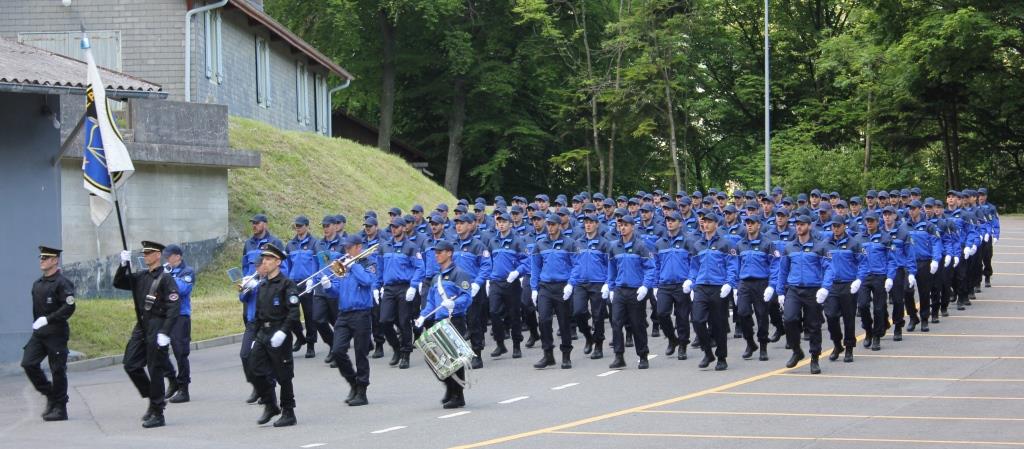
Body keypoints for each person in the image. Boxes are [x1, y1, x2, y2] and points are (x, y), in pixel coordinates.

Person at [113, 241, 180, 428]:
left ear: (158, 255)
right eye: (144, 253)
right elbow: (118, 283)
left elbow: (174, 306)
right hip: (142, 326)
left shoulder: (166, 279)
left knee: (155, 369)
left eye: (149, 253)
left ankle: (158, 413)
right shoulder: (142, 276)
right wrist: (123, 265)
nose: (146, 256)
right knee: (130, 364)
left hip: (158, 325)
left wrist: (165, 332)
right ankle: (153, 398)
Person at [414, 240, 473, 409]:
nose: (437, 255)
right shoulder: (436, 278)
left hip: (455, 319)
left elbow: (467, 297)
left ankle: (458, 395)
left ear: (449, 253)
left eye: (440, 252)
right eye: (436, 252)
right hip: (439, 320)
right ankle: (449, 387)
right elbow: (431, 304)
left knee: (455, 358)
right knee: (434, 358)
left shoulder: (459, 274)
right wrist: (422, 316)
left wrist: (454, 304)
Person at [248, 243, 300, 427]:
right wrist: (255, 337)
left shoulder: (287, 284)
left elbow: (294, 312)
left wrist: (283, 332)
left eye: (269, 259)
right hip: (264, 332)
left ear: (278, 262)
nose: (265, 262)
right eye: (264, 259)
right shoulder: (263, 285)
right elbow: (258, 314)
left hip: (279, 332)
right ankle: (270, 404)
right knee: (254, 368)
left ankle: (289, 412)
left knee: (284, 375)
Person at [23, 245, 76, 421]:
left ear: (55, 261)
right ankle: (50, 394)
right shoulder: (37, 284)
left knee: (58, 370)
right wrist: (39, 324)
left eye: (46, 258)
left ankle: (60, 408)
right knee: (28, 363)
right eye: (41, 258)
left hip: (56, 333)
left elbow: (69, 306)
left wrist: (48, 319)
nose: (42, 261)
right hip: (39, 334)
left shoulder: (62, 283)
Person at [685, 210, 737, 371]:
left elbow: (732, 266)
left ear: (716, 224)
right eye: (703, 221)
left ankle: (722, 357)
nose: (705, 224)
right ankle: (708, 352)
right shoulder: (698, 244)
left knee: (719, 324)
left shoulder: (725, 244)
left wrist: (729, 283)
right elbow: (694, 267)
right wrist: (690, 280)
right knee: (698, 320)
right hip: (701, 286)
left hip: (718, 287)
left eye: (708, 221)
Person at [327, 235, 376, 406]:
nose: (346, 251)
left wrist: (354, 266)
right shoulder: (344, 266)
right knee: (337, 351)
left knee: (360, 353)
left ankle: (362, 391)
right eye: (345, 248)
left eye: (349, 248)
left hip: (361, 313)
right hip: (344, 313)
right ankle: (353, 383)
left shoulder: (366, 264)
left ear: (358, 247)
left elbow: (368, 281)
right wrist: (328, 286)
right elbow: (337, 291)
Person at [776, 216, 828, 374]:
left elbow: (829, 268)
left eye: (802, 224)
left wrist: (824, 288)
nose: (799, 227)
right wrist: (779, 291)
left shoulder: (819, 247)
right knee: (789, 319)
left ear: (809, 226)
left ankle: (814, 358)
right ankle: (796, 350)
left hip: (813, 289)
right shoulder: (789, 247)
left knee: (813, 325)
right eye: (797, 224)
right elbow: (783, 270)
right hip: (794, 289)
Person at [607, 209, 658, 369]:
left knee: (637, 324)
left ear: (632, 227)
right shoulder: (614, 247)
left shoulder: (641, 246)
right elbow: (611, 268)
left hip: (636, 291)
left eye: (626, 225)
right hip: (620, 290)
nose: (622, 228)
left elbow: (650, 268)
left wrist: (645, 286)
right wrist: (610, 287)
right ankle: (619, 356)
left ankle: (643, 355)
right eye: (620, 225)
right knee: (616, 323)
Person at [530, 213, 580, 369]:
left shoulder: (569, 243)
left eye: (553, 224)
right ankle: (548, 354)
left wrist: (571, 284)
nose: (550, 227)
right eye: (548, 224)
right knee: (544, 320)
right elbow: (535, 267)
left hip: (562, 287)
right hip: (545, 287)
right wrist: (534, 288)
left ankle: (566, 355)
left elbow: (577, 265)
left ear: (559, 225)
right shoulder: (540, 244)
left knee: (564, 322)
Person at [376, 217, 424, 369]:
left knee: (404, 322)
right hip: (389, 288)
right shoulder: (384, 246)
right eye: (392, 226)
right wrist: (376, 287)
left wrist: (414, 286)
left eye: (396, 227)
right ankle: (396, 347)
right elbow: (380, 268)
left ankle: (406, 353)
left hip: (404, 287)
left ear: (403, 228)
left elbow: (419, 267)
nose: (393, 229)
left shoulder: (411, 247)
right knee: (384, 321)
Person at [485, 212, 529, 359]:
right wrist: (487, 277)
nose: (501, 224)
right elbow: (489, 261)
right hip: (496, 282)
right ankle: (500, 344)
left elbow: (526, 261)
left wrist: (517, 272)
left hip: (512, 282)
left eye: (504, 222)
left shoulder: (517, 241)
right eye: (499, 222)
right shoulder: (493, 241)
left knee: (514, 314)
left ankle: (516, 345)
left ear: (510, 224)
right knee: (494, 312)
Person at [820, 215, 862, 363]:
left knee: (849, 318)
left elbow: (863, 263)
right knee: (831, 316)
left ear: (844, 226)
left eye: (838, 226)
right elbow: (821, 265)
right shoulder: (825, 244)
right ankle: (837, 344)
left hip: (848, 284)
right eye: (833, 226)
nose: (835, 229)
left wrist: (858, 279)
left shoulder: (854, 243)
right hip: (831, 285)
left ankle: (849, 347)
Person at [569, 213, 612, 360]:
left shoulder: (604, 243)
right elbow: (574, 263)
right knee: (578, 312)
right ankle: (588, 336)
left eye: (591, 222)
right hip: (581, 283)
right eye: (585, 222)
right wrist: (571, 281)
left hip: (598, 282)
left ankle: (598, 344)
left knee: (598, 316)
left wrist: (607, 282)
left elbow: (610, 265)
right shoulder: (578, 242)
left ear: (596, 224)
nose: (587, 225)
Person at [653, 211, 693, 360]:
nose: (669, 222)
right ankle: (672, 338)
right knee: (661, 313)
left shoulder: (687, 241)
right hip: (664, 284)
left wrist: (690, 280)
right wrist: (655, 284)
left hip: (681, 284)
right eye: (668, 220)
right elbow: (656, 265)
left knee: (682, 317)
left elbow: (693, 264)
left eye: (673, 220)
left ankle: (682, 345)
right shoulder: (660, 243)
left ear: (680, 223)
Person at [735, 215, 774, 361]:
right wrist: (735, 285)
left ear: (759, 225)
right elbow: (736, 265)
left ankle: (763, 345)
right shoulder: (740, 244)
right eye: (747, 223)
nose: (749, 225)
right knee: (742, 313)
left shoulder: (767, 244)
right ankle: (750, 342)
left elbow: (774, 265)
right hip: (745, 283)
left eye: (752, 223)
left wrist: (771, 285)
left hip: (761, 282)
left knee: (762, 315)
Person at [161, 244, 194, 403]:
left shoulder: (187, 271)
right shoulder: (166, 270)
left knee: (181, 353)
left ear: (178, 256)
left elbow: (181, 289)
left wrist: (167, 277)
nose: (167, 259)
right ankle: (172, 380)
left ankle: (183, 389)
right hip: (165, 315)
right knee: (159, 350)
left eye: (170, 256)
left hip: (181, 316)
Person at [286, 215, 320, 358]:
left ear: (307, 226)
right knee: (291, 314)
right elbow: (287, 265)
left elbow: (318, 264)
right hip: (293, 283)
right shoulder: (290, 244)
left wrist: (314, 280)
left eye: (300, 226)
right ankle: (300, 337)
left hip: (308, 283)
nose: (298, 228)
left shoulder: (314, 243)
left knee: (309, 315)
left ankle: (311, 345)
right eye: (296, 226)